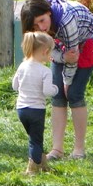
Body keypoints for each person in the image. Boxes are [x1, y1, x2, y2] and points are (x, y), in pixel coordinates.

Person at [20, 0, 93, 161]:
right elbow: (52, 53)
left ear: (49, 13)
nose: (41, 27)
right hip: (61, 45)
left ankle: (79, 149)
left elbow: (73, 56)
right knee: (57, 94)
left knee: (74, 94)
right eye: (35, 25)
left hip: (87, 41)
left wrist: (67, 81)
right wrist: (62, 58)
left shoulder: (66, 20)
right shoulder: (40, 29)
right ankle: (57, 149)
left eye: (42, 21)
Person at [12, 31, 59, 175]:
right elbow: (47, 91)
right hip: (36, 110)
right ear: (45, 51)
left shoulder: (22, 66)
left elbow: (15, 86)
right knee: (35, 140)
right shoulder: (45, 71)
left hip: (21, 109)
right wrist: (56, 89)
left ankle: (42, 162)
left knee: (34, 137)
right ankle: (32, 168)